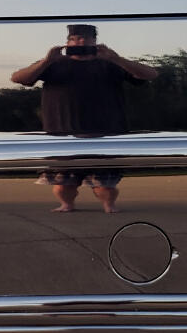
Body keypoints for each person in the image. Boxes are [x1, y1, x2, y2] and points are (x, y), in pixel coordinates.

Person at [10, 23, 158, 213]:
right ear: (67, 43)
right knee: (63, 185)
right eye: (74, 39)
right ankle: (67, 204)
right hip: (61, 136)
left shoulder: (110, 63)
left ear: (95, 42)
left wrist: (116, 58)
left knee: (104, 185)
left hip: (104, 136)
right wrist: (46, 60)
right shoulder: (53, 63)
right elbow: (18, 78)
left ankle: (109, 205)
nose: (79, 42)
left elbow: (151, 74)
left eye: (85, 38)